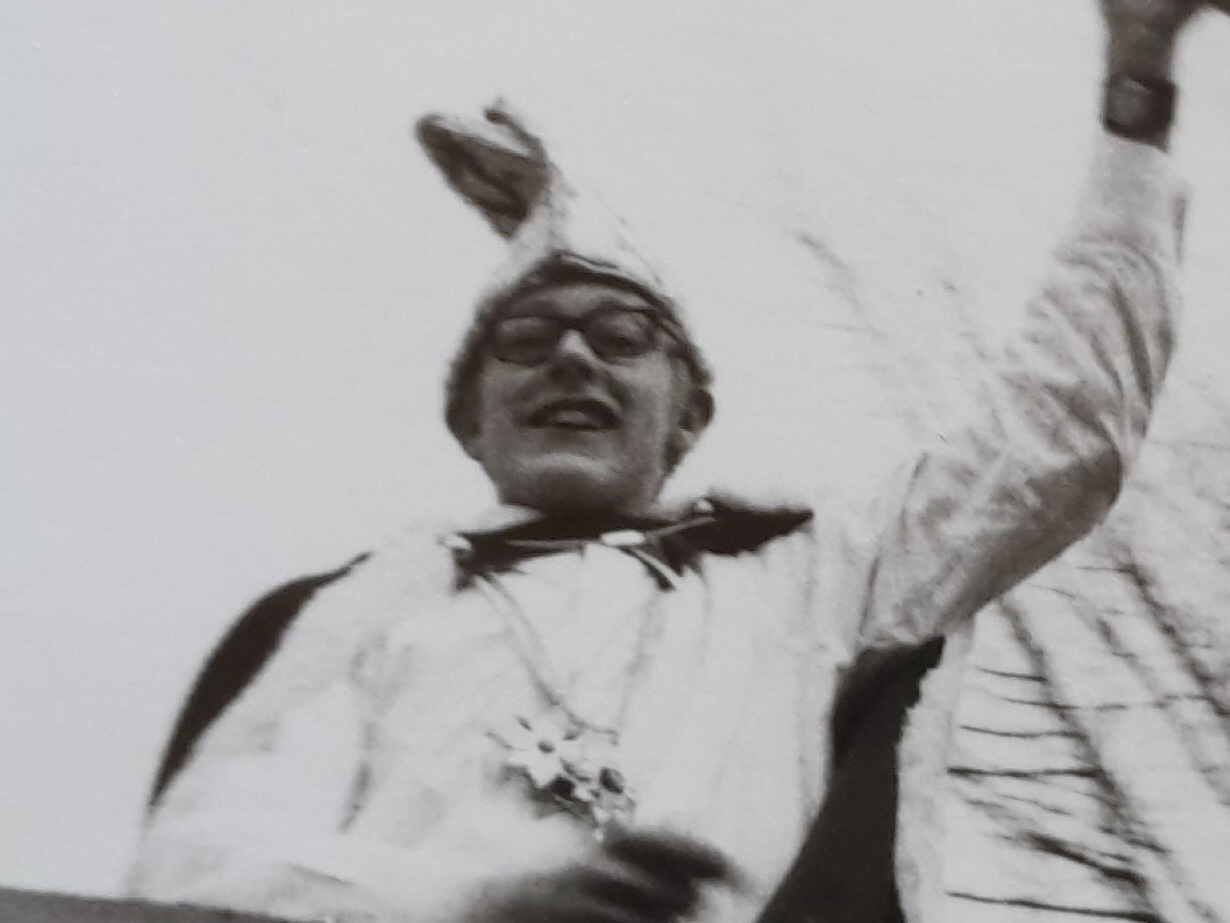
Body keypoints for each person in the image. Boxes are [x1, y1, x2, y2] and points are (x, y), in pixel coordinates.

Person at [128, 2, 1216, 921]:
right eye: (527, 338)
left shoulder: (813, 576)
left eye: (622, 336)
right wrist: (471, 902)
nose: (572, 357)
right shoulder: (355, 616)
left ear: (687, 416)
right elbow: (199, 864)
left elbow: (1060, 433)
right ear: (470, 421)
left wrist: (1136, 84)